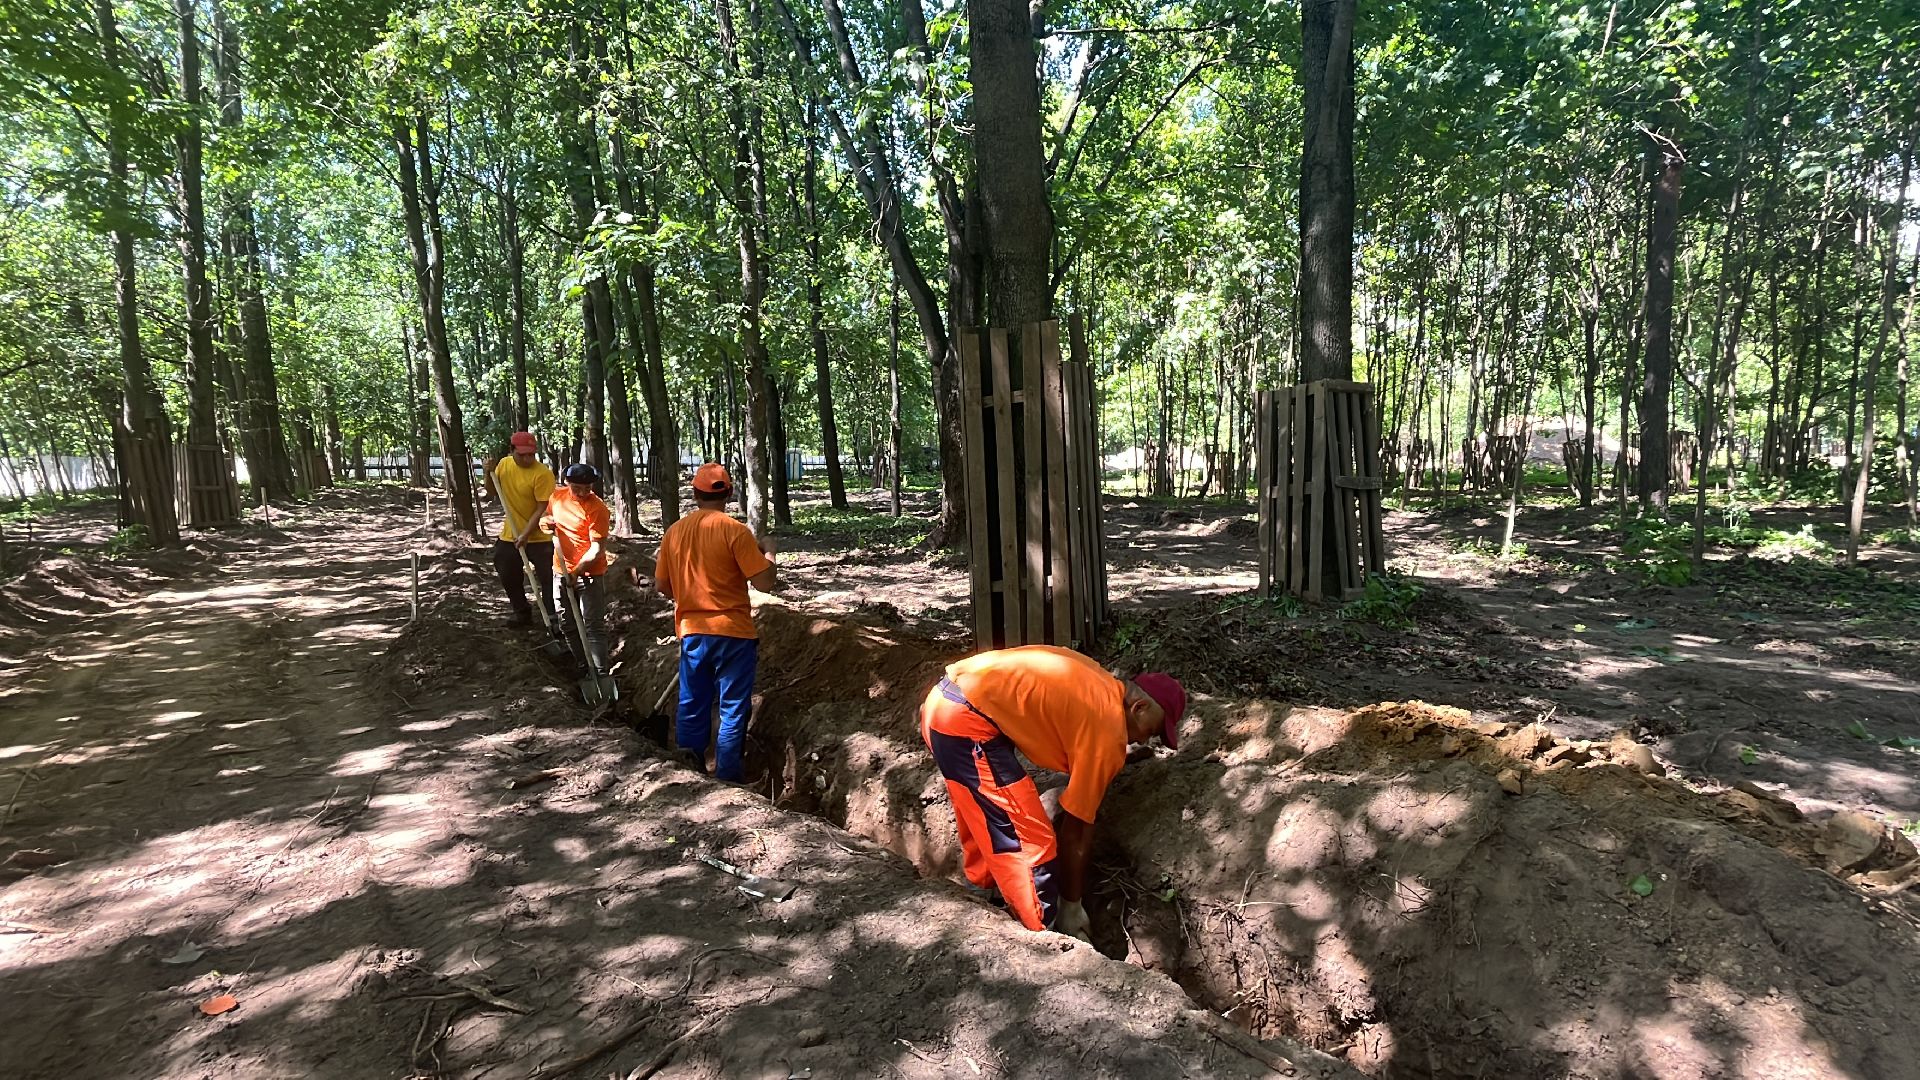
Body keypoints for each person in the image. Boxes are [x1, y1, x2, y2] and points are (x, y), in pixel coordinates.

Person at [917, 646, 1185, 940]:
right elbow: (1076, 831)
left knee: (988, 818)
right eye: (1153, 730)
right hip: (964, 722)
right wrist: (1071, 905)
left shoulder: (1100, 686)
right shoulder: (1107, 732)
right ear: (1139, 707)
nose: (1147, 739)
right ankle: (1046, 939)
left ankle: (982, 900)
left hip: (945, 703)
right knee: (1031, 843)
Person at [653, 463, 780, 782]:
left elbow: (662, 586)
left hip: (693, 634)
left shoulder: (674, 532)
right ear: (729, 493)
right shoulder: (735, 532)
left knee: (692, 703)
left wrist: (689, 597)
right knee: (733, 709)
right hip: (734, 635)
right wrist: (770, 553)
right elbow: (764, 583)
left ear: (695, 494)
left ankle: (688, 772)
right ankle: (728, 780)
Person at [545, 463, 614, 671]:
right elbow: (547, 517)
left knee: (593, 626)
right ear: (567, 483)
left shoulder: (598, 509)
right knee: (567, 623)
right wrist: (546, 523)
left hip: (589, 574)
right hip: (561, 570)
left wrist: (576, 572)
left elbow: (597, 549)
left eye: (588, 488)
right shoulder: (557, 498)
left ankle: (600, 673)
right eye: (577, 488)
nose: (583, 493)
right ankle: (584, 668)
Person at [487, 432, 555, 626]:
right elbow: (492, 491)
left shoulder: (542, 474)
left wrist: (526, 534)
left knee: (548, 578)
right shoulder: (504, 465)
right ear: (512, 451)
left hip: (541, 535)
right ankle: (521, 612)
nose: (527, 459)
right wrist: (487, 473)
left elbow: (542, 508)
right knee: (506, 569)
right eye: (522, 454)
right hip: (512, 533)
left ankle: (552, 617)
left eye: (531, 455)